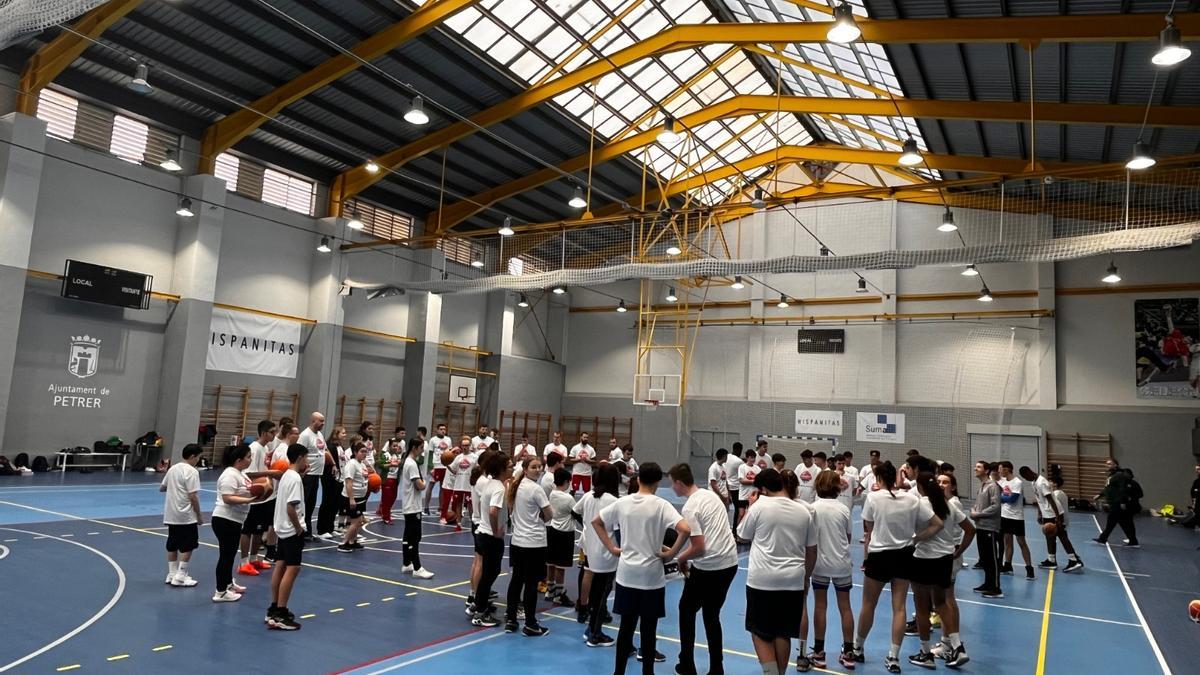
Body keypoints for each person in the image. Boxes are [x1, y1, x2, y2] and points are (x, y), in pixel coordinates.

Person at [593, 463, 690, 675]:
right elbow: (685, 529)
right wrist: (671, 554)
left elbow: (596, 522)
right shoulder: (661, 505)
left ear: (637, 479)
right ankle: (648, 671)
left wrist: (612, 548)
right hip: (651, 577)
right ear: (657, 481)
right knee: (649, 630)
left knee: (625, 628)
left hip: (627, 575)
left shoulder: (622, 503)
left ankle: (618, 672)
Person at [854, 461, 942, 673]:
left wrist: (866, 559)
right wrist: (916, 539)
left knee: (868, 604)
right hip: (904, 556)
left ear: (878, 478)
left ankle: (858, 648)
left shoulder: (873, 498)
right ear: (895, 477)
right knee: (899, 607)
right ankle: (893, 657)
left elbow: (869, 532)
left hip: (879, 556)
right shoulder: (912, 499)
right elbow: (937, 523)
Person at [737, 468, 816, 675]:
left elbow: (742, 534)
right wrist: (806, 577)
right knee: (783, 632)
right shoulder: (803, 511)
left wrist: (751, 506)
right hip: (793, 580)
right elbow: (812, 551)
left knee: (760, 632)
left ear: (762, 489)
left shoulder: (760, 506)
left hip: (763, 580)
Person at [671, 463, 739, 675]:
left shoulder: (690, 507)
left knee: (686, 609)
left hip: (710, 566)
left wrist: (680, 558)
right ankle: (716, 667)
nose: (673, 487)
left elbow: (699, 547)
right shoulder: (710, 496)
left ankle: (687, 664)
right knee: (711, 615)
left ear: (679, 483)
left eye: (673, 483)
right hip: (729, 563)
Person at [908, 471, 973, 669]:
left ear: (920, 487)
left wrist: (914, 540)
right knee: (942, 603)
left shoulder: (921, 505)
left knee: (921, 607)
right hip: (945, 559)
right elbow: (970, 529)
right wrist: (958, 551)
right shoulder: (950, 505)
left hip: (923, 559)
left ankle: (925, 653)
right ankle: (957, 646)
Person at [807, 470, 856, 670]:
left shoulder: (812, 508)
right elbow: (848, 537)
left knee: (820, 606)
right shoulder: (844, 509)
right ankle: (849, 652)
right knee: (846, 607)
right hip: (841, 564)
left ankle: (818, 653)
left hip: (819, 564)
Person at [504, 456, 553, 636]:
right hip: (534, 543)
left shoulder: (515, 487)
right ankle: (531, 623)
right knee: (531, 583)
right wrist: (540, 516)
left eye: (540, 467)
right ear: (525, 469)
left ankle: (511, 619)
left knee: (517, 580)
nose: (538, 470)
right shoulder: (536, 489)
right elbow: (550, 515)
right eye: (534, 467)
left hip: (517, 541)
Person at [930, 472, 974, 663]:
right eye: (938, 481)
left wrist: (959, 551)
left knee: (947, 599)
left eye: (945, 482)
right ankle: (947, 641)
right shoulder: (943, 503)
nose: (941, 485)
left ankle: (950, 643)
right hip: (946, 554)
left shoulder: (953, 504)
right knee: (946, 598)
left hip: (948, 555)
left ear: (953, 486)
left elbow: (970, 529)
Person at [575, 463, 621, 641]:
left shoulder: (588, 497)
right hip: (608, 553)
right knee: (602, 593)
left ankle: (591, 627)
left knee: (596, 592)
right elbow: (618, 529)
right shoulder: (614, 501)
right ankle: (595, 632)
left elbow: (579, 515)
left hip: (591, 550)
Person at [212, 444, 262, 602]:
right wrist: (249, 500)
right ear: (238, 460)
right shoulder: (229, 475)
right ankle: (220, 592)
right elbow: (227, 498)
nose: (250, 460)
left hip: (235, 520)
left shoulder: (241, 474)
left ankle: (227, 584)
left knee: (230, 555)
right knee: (225, 556)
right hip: (225, 519)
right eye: (248, 457)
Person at [267, 444, 308, 630]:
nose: (307, 462)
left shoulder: (286, 476)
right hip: (292, 530)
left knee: (280, 564)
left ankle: (274, 608)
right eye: (306, 458)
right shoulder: (295, 479)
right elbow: (291, 507)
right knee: (293, 568)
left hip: (281, 528)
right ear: (299, 458)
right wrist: (299, 528)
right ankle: (281, 614)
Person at [471, 452, 510, 627]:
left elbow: (481, 505)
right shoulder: (499, 488)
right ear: (502, 468)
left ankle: (477, 604)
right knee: (490, 574)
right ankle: (480, 613)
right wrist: (496, 530)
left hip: (481, 532)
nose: (512, 468)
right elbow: (493, 511)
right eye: (509, 466)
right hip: (490, 537)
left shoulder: (488, 483)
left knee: (488, 573)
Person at [1020, 466, 1082, 572]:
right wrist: (1040, 514)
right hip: (1047, 514)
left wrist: (1058, 517)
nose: (1026, 479)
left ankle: (1074, 560)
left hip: (1054, 513)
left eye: (1026, 477)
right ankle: (1051, 560)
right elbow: (1040, 500)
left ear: (1030, 472)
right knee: (1049, 537)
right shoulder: (1033, 482)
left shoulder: (1041, 482)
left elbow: (1051, 500)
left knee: (1062, 536)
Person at [160, 443, 204, 588]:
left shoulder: (173, 469)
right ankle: (180, 575)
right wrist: (199, 515)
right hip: (185, 514)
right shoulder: (192, 471)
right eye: (198, 457)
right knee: (188, 545)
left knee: (172, 543)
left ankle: (172, 573)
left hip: (171, 513)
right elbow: (193, 496)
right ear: (192, 456)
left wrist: (174, 488)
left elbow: (162, 487)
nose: (198, 460)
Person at [241, 420, 278, 575]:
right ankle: (244, 562)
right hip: (253, 496)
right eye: (272, 432)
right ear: (263, 433)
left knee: (259, 529)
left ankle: (255, 558)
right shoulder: (254, 448)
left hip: (263, 497)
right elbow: (248, 473)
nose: (274, 434)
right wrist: (269, 473)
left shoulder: (265, 448)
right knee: (248, 530)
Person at [400, 438, 435, 579]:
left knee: (408, 536)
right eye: (421, 448)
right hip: (413, 506)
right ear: (414, 447)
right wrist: (425, 482)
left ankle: (406, 563)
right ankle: (417, 567)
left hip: (408, 504)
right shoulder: (412, 464)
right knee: (415, 537)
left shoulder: (408, 462)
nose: (422, 451)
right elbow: (419, 485)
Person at [970, 461, 1004, 598]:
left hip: (990, 528)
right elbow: (979, 505)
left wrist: (978, 514)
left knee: (992, 559)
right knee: (984, 558)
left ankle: (996, 588)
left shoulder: (993, 486)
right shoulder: (982, 487)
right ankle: (987, 583)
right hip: (980, 526)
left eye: (978, 467)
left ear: (986, 470)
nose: (975, 468)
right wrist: (973, 510)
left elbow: (996, 506)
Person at [996, 461, 1034, 580]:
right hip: (1004, 515)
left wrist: (999, 498)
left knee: (1021, 542)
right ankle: (1008, 565)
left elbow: (1012, 499)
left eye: (1001, 469)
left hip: (1016, 517)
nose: (999, 471)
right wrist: (1001, 497)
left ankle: (1029, 568)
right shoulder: (1001, 481)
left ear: (1007, 469)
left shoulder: (1017, 482)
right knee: (1007, 541)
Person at [545, 467, 576, 605]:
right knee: (560, 566)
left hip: (552, 529)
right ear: (565, 481)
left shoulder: (552, 493)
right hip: (565, 532)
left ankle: (549, 589)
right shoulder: (568, 498)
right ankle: (559, 594)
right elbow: (576, 513)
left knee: (550, 562)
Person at [1094, 461, 1142, 547]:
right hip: (1114, 502)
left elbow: (1122, 489)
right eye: (1106, 464)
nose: (1107, 465)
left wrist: (1122, 502)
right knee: (1125, 522)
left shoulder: (1119, 475)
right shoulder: (1112, 476)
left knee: (1112, 521)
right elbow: (1108, 487)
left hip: (1117, 503)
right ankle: (1133, 541)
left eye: (1109, 464)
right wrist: (1100, 494)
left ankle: (1103, 539)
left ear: (1115, 465)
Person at [296, 412, 327, 539]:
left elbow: (323, 451)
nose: (323, 423)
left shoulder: (319, 434)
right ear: (313, 421)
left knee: (311, 504)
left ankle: (307, 531)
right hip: (308, 475)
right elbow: (299, 453)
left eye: (323, 421)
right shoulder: (305, 435)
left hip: (316, 475)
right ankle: (301, 530)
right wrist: (304, 469)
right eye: (321, 421)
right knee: (304, 503)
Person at [337, 443, 370, 553]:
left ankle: (352, 541)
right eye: (362, 451)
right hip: (352, 497)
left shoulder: (362, 464)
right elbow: (348, 482)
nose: (364, 454)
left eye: (365, 451)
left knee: (358, 521)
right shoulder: (352, 464)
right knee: (356, 522)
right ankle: (343, 543)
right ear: (355, 452)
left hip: (360, 497)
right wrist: (351, 499)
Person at [317, 425, 347, 539]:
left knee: (335, 504)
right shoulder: (330, 447)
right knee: (327, 503)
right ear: (336, 434)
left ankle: (330, 527)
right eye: (343, 433)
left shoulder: (340, 447)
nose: (345, 435)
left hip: (339, 478)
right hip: (330, 478)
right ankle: (322, 529)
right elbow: (329, 463)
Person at [449, 435, 477, 532]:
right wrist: (446, 464)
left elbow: (478, 470)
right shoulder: (458, 458)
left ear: (470, 446)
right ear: (461, 446)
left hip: (469, 485)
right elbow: (453, 470)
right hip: (459, 485)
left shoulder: (475, 457)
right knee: (458, 505)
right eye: (463, 445)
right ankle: (458, 524)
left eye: (467, 445)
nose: (465, 447)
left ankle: (473, 523)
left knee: (470, 505)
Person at [426, 423, 452, 515]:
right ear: (437, 430)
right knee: (431, 485)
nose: (443, 431)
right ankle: (426, 507)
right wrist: (430, 467)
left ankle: (440, 508)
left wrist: (450, 465)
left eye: (444, 429)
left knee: (443, 487)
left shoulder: (448, 440)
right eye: (441, 429)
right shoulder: (433, 440)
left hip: (445, 466)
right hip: (436, 465)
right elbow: (430, 453)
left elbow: (450, 453)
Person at [377, 437, 404, 524]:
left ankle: (385, 511)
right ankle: (386, 516)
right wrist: (390, 464)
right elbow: (380, 464)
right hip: (387, 479)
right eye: (394, 446)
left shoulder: (398, 456)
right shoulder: (385, 455)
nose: (396, 448)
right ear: (390, 446)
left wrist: (400, 463)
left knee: (394, 497)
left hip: (395, 479)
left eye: (397, 446)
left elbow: (401, 465)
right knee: (386, 499)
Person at [736, 447, 761, 528]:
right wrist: (753, 482)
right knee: (741, 514)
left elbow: (760, 481)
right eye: (751, 457)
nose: (753, 459)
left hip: (753, 496)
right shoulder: (742, 467)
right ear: (747, 458)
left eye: (754, 457)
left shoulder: (757, 468)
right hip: (743, 495)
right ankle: (737, 532)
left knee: (751, 516)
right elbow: (741, 480)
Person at [726, 442, 745, 522]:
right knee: (738, 510)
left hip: (726, 486)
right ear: (739, 450)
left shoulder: (727, 457)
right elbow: (745, 469)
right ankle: (735, 530)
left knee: (724, 509)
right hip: (735, 488)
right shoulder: (739, 461)